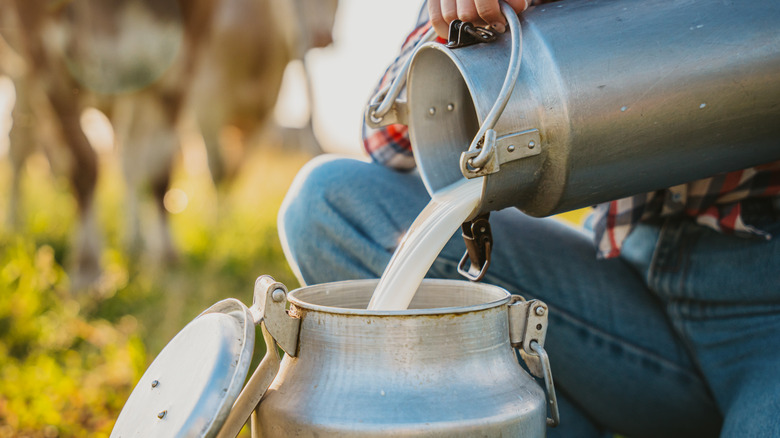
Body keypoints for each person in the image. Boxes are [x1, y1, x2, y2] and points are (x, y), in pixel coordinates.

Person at [278, 1, 780, 436]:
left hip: (766, 307)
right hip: (629, 285)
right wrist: (477, 23)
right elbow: (389, 139)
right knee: (327, 207)